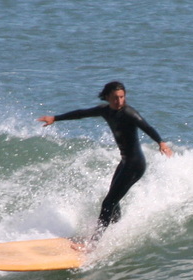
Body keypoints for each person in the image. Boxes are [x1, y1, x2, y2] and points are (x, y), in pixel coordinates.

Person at [38, 81, 173, 240]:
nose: (119, 101)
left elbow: (147, 127)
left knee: (108, 203)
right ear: (107, 97)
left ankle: (93, 244)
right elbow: (81, 113)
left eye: (122, 97)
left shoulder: (129, 113)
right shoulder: (105, 110)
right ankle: (116, 228)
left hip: (135, 165)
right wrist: (55, 118)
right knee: (113, 198)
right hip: (125, 163)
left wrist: (161, 143)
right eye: (115, 98)